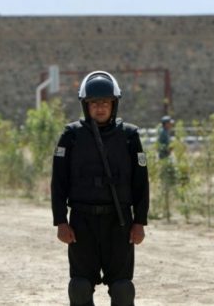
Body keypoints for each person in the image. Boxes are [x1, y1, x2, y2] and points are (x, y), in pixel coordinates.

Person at [51, 70, 149, 306]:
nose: (100, 107)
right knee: (80, 286)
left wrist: (140, 222)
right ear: (86, 105)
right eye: (94, 103)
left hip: (119, 223)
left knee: (123, 288)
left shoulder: (129, 136)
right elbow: (58, 182)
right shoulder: (71, 136)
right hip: (82, 223)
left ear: (114, 104)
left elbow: (141, 182)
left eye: (105, 102)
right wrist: (61, 222)